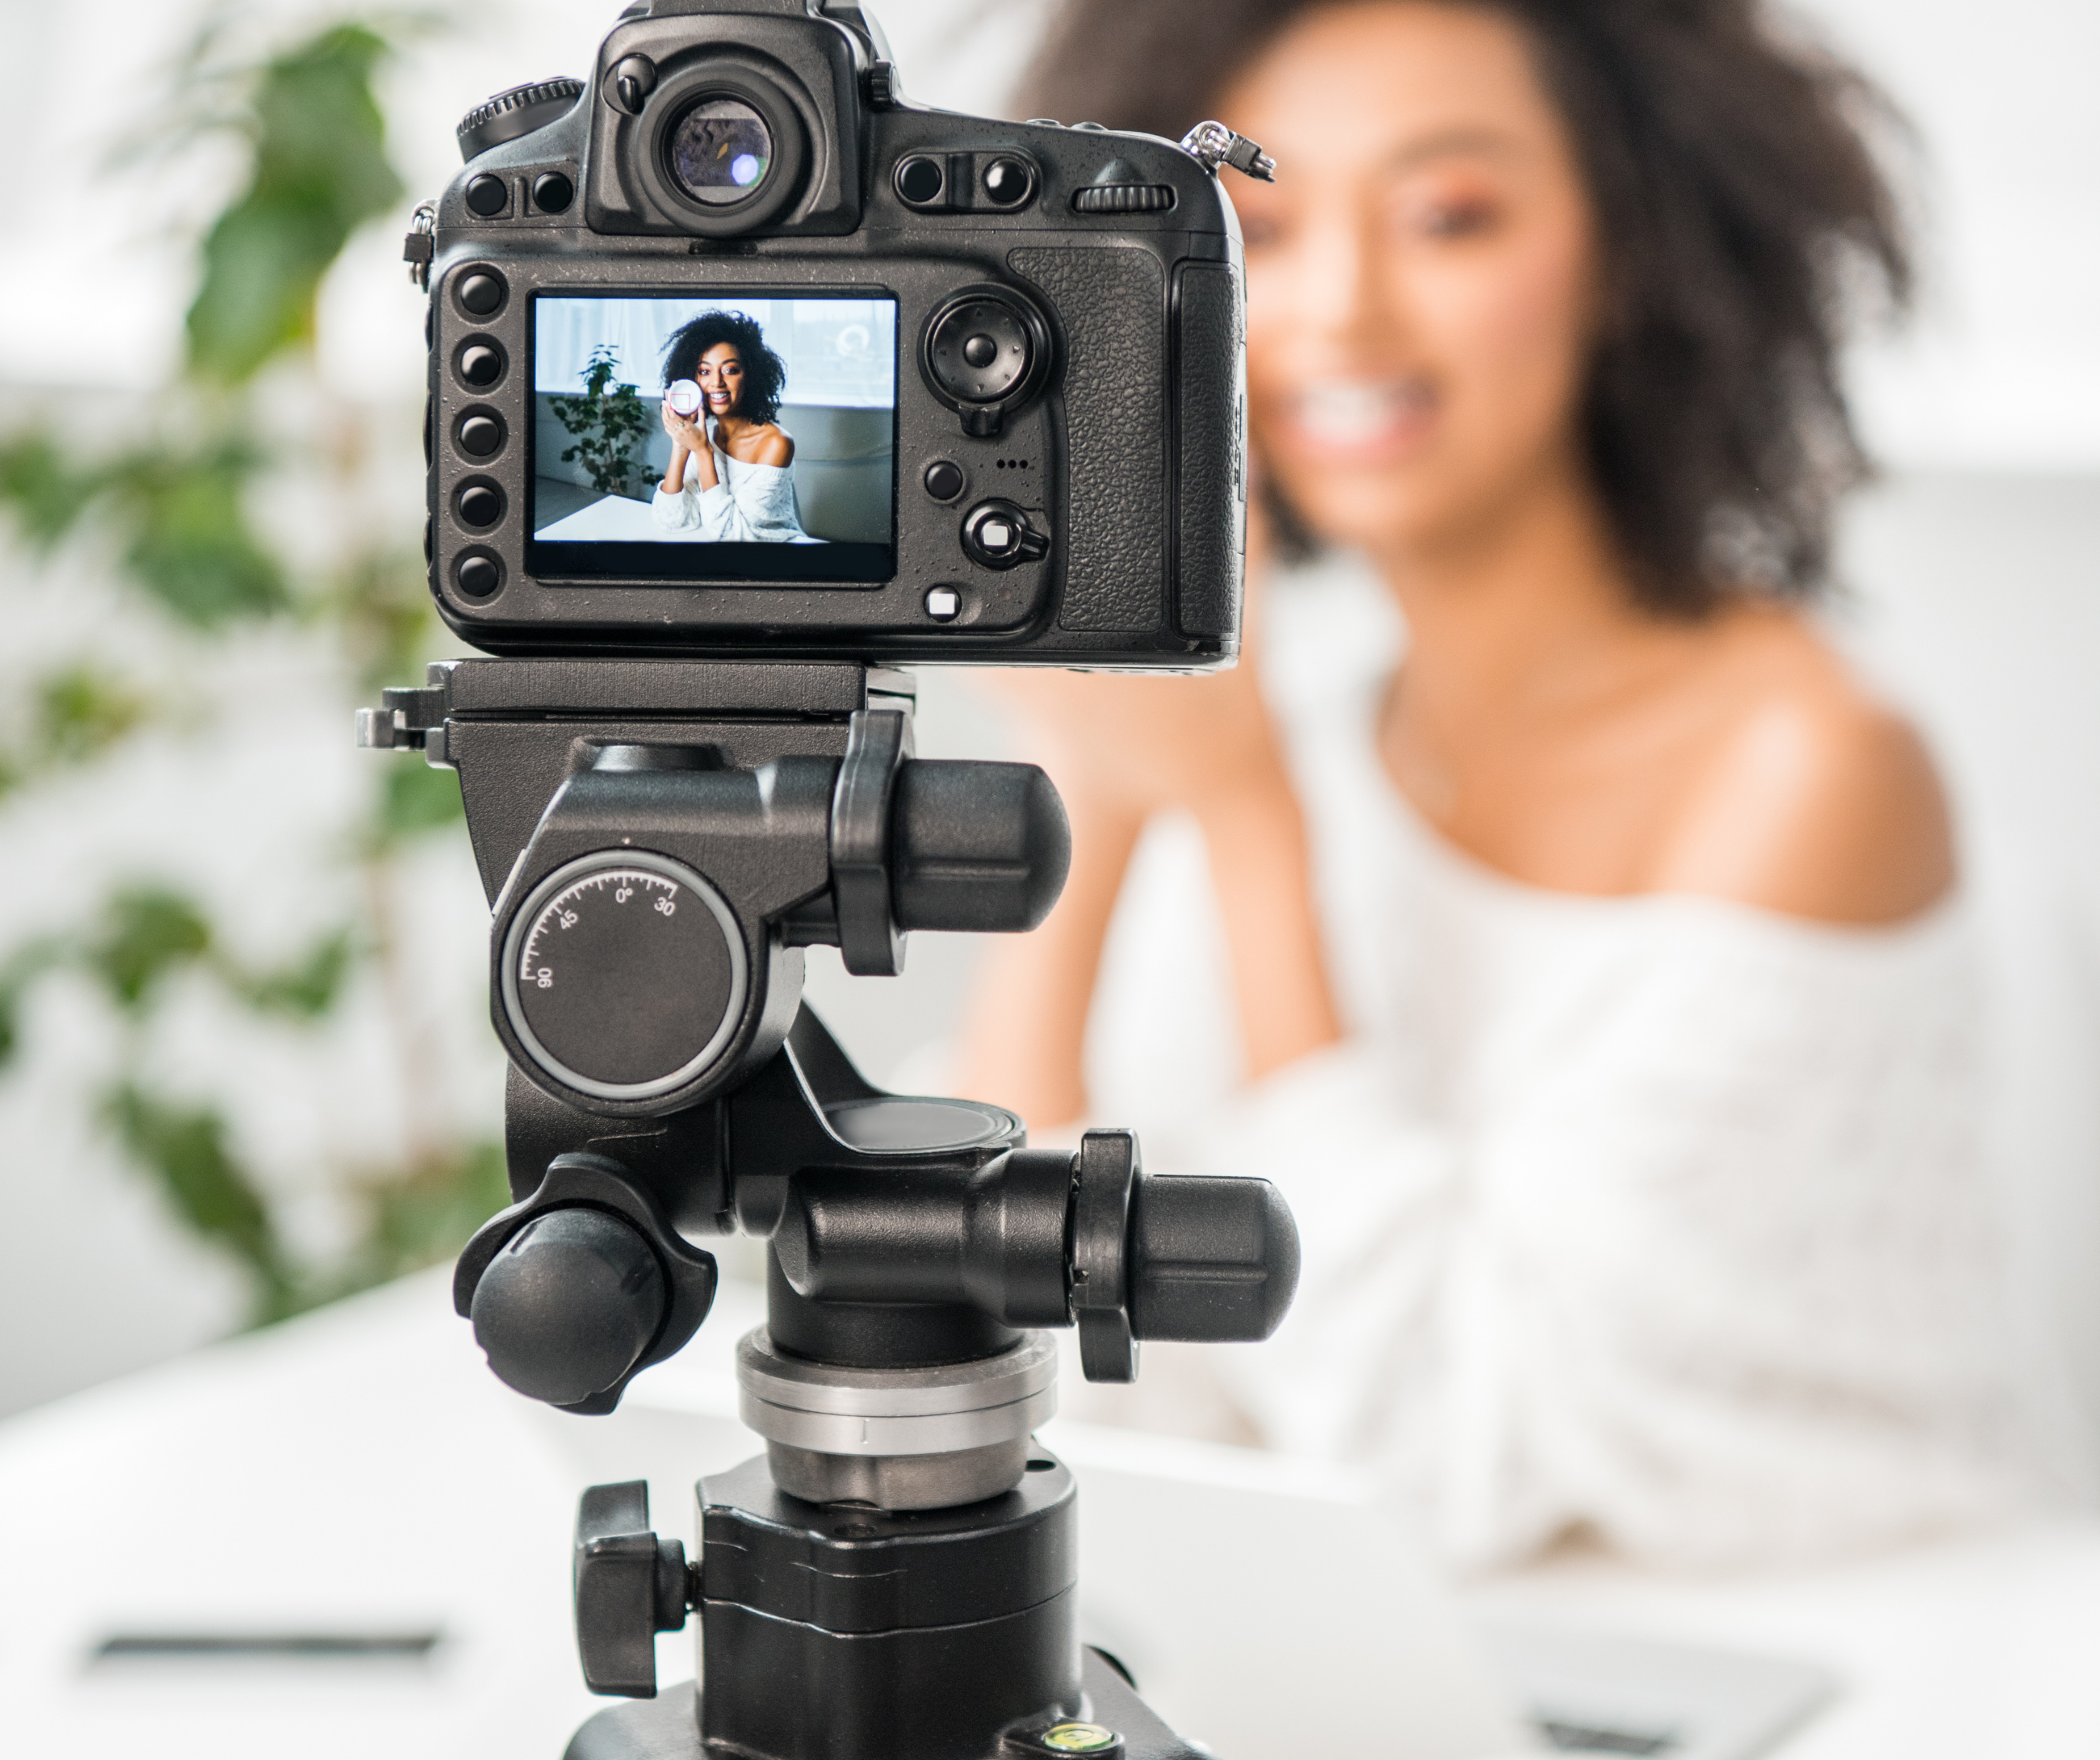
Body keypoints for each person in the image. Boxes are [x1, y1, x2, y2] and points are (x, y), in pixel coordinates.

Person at [956, 0, 2036, 1570]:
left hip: (1854, 1658)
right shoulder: (1315, 737)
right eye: (1262, 227)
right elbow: (1015, 1331)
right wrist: (1107, 770)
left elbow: (1446, 1441)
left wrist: (1254, 833)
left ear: (1633, 250)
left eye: (1446, 217)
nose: (1335, 306)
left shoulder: (1805, 771)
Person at [653, 310, 809, 541]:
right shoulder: (704, 436)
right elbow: (671, 520)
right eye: (705, 371)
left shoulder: (776, 444)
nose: (716, 382)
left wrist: (703, 452)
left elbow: (734, 535)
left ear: (751, 375)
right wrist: (681, 444)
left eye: (730, 370)